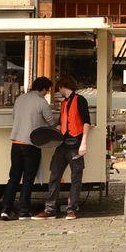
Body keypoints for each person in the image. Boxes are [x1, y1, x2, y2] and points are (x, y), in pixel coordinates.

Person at [32, 76, 91, 221]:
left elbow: (86, 122)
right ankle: (50, 210)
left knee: (76, 178)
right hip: (62, 144)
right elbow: (61, 123)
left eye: (59, 89)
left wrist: (84, 143)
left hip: (76, 143)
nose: (58, 92)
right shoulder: (64, 103)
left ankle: (72, 210)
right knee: (54, 175)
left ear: (63, 86)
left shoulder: (80, 100)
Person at [1, 76, 54, 220]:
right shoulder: (41, 101)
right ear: (43, 89)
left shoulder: (20, 99)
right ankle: (23, 211)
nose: (46, 93)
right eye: (47, 90)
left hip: (16, 143)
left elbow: (14, 116)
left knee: (13, 177)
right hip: (31, 144)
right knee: (28, 179)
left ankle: (6, 209)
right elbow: (51, 121)